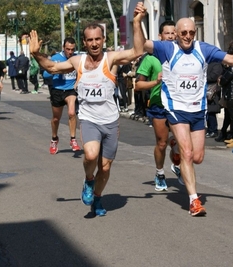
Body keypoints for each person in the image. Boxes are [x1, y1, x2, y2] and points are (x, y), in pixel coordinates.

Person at [29, 2, 147, 216]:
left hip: (110, 121)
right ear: (85, 41)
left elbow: (137, 51)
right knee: (91, 156)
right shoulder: (77, 61)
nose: (94, 44)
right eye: (90, 40)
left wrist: (137, 22)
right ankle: (88, 181)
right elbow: (52, 67)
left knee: (106, 166)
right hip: (89, 119)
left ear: (103, 40)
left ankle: (98, 199)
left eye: (98, 39)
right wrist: (36, 54)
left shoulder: (111, 59)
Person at [143, 18, 233, 216]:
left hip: (197, 110)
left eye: (191, 33)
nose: (188, 36)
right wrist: (137, 22)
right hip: (176, 109)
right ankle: (194, 201)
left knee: (197, 157)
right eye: (183, 33)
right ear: (177, 34)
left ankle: (176, 151)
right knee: (188, 153)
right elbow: (141, 45)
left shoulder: (203, 49)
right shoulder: (167, 49)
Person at [134, 20, 176, 192]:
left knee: (183, 140)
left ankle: (178, 160)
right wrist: (155, 82)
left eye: (174, 33)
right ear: (160, 36)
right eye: (168, 33)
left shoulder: (182, 54)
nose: (171, 36)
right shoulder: (150, 58)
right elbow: (138, 85)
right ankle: (159, 173)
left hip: (178, 105)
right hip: (158, 105)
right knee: (161, 143)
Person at [42, 37, 80, 154]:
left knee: (71, 113)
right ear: (63, 48)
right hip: (57, 90)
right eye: (68, 49)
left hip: (71, 90)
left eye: (72, 49)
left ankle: (73, 139)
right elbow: (45, 74)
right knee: (55, 118)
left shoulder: (77, 58)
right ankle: (54, 138)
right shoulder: (56, 59)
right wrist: (59, 70)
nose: (70, 52)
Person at [205, 62, 223, 138]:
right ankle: (210, 129)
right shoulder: (207, 63)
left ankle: (213, 130)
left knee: (211, 112)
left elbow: (214, 76)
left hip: (213, 91)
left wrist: (203, 77)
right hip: (208, 89)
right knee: (208, 112)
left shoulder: (216, 64)